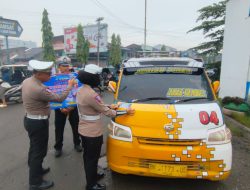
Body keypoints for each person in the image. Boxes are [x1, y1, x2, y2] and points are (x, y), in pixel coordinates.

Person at [76, 64, 135, 190]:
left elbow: (97, 106)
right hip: (92, 132)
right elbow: (107, 112)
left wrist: (108, 106)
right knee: (92, 158)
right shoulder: (91, 94)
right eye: (97, 76)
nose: (99, 78)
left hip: (83, 129)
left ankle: (92, 176)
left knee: (88, 157)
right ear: (92, 77)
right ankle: (91, 185)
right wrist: (126, 112)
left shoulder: (82, 90)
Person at [22, 60, 76, 190]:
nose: (50, 76)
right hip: (38, 122)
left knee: (34, 147)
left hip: (30, 119)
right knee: (38, 152)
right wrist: (69, 86)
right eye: (48, 74)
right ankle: (35, 183)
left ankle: (37, 169)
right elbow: (59, 98)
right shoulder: (39, 89)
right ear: (39, 74)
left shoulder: (28, 81)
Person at [54, 61, 82, 157]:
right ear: (59, 67)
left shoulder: (74, 77)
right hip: (59, 107)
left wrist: (71, 106)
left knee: (76, 126)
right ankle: (58, 148)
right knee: (59, 128)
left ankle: (77, 143)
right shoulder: (54, 78)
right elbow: (53, 94)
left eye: (67, 66)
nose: (66, 68)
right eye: (63, 66)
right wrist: (61, 107)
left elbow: (78, 92)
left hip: (73, 106)